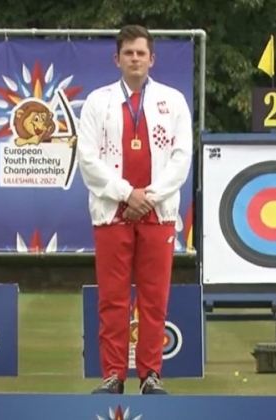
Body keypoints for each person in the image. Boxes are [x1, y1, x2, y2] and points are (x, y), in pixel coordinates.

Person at [76, 24, 193, 395]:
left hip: (157, 214)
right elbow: (88, 159)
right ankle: (113, 373)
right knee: (112, 298)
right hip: (113, 213)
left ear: (152, 58)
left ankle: (150, 375)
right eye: (128, 53)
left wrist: (149, 197)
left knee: (154, 297)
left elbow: (181, 159)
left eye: (141, 53)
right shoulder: (98, 101)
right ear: (117, 59)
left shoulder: (173, 101)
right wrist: (128, 195)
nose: (135, 59)